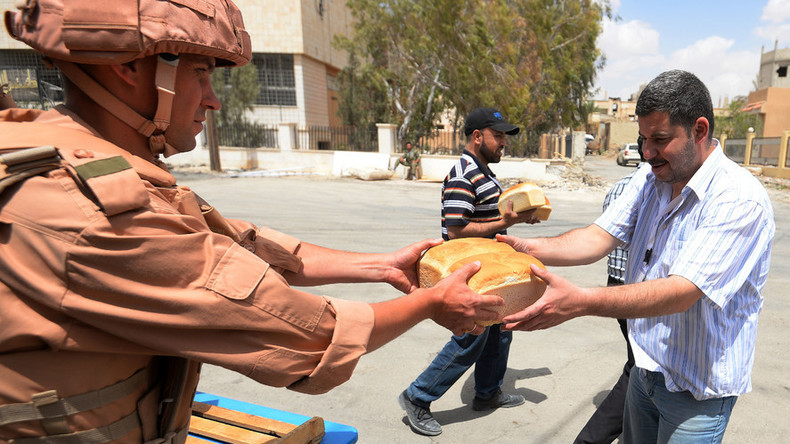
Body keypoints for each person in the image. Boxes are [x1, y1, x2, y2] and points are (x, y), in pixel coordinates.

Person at [0, 2, 505, 442]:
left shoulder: (73, 155)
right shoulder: (86, 211)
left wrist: (380, 265)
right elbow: (304, 337)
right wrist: (429, 304)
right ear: (131, 68)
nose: (213, 99)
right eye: (200, 72)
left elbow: (245, 244)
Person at [498, 70, 775, 443]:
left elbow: (681, 292)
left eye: (660, 140)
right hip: (644, 374)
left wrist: (579, 301)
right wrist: (525, 249)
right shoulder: (652, 180)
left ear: (700, 129)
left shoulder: (738, 198)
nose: (647, 153)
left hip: (696, 394)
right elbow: (596, 238)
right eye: (644, 139)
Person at [398, 107, 540, 436]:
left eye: (505, 136)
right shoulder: (464, 173)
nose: (504, 142)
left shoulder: (484, 171)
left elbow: (488, 217)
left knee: (501, 330)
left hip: (491, 269)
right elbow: (456, 228)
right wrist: (504, 223)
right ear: (478, 137)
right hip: (469, 270)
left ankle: (487, 392)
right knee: (470, 339)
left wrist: (516, 217)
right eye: (498, 135)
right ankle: (417, 396)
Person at [573, 136, 645, 444]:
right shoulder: (647, 189)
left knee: (639, 365)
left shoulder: (619, 187)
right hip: (636, 291)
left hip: (615, 282)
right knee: (639, 368)